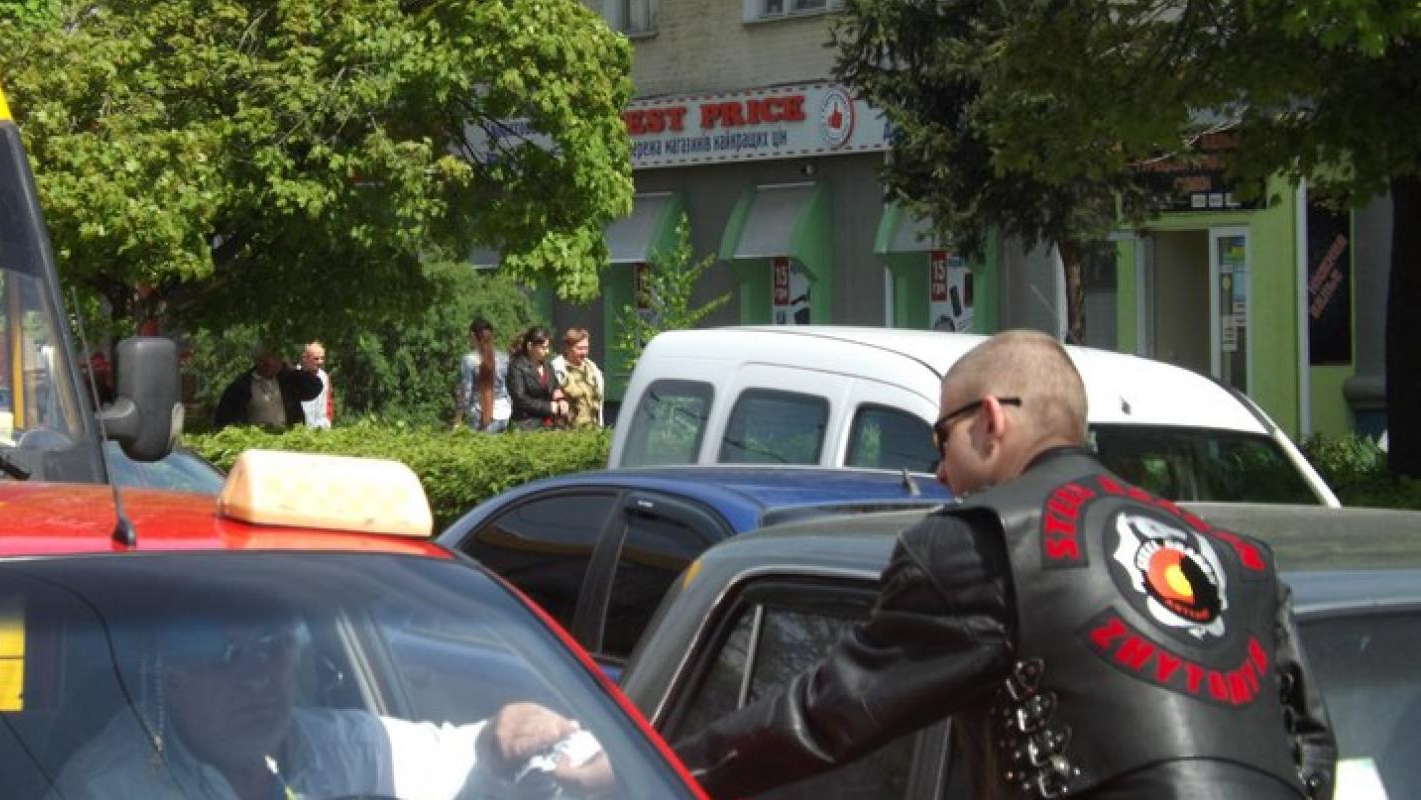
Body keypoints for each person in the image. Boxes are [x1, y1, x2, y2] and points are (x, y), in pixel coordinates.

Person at [674, 330, 1336, 800]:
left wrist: (660, 772)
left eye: (941, 438)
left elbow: (829, 714)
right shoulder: (1237, 559)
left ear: (990, 420)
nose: (940, 470)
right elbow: (1311, 750)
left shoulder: (980, 542)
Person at [58, 615, 614, 800]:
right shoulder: (105, 789)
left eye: (273, 645)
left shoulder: (338, 745)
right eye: (224, 656)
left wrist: (501, 737)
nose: (257, 677)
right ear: (170, 676)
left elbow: (457, 755)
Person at [213, 343, 326, 429]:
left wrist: (292, 370)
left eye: (280, 358)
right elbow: (223, 420)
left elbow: (314, 388)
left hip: (286, 442)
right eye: (275, 358)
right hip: (256, 445)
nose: (278, 362)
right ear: (261, 361)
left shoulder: (288, 381)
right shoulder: (242, 386)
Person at [455, 317, 511, 432]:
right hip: (504, 413)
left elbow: (466, 392)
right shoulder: (504, 358)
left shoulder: (469, 360)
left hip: (479, 414)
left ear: (472, 336)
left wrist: (458, 417)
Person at [506, 326, 567, 430]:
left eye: (548, 347)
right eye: (543, 348)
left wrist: (561, 400)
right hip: (525, 425)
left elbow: (555, 387)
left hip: (549, 424)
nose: (547, 351)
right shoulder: (516, 367)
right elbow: (520, 399)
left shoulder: (548, 366)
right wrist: (548, 407)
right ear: (530, 346)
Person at [550, 327, 604, 429]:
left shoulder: (593, 369)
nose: (584, 352)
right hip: (567, 432)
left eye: (586, 348)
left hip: (592, 431)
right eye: (579, 348)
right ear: (568, 347)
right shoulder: (556, 369)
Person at [297, 341, 333, 430]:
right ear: (305, 358)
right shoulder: (296, 375)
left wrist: (327, 422)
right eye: (316, 359)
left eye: (322, 358)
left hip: (320, 426)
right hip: (299, 427)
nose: (320, 362)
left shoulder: (324, 377)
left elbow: (328, 402)